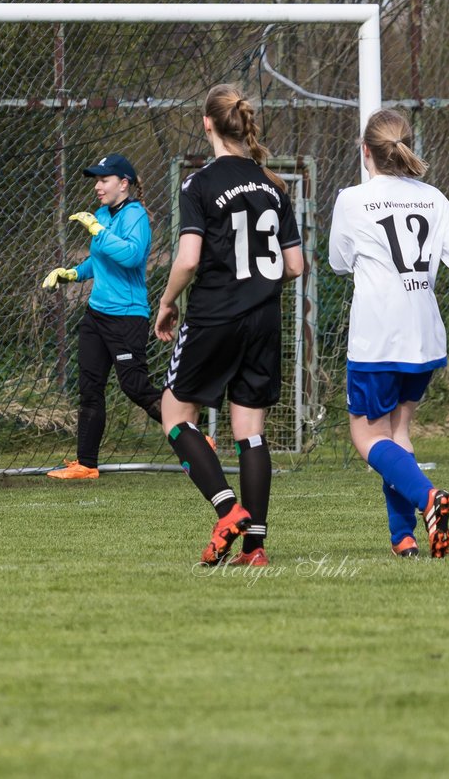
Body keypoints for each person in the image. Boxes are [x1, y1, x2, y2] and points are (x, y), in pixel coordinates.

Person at [329, 108, 449, 558]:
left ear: (366, 150)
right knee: (399, 434)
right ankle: (403, 538)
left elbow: (336, 262)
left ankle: (428, 497)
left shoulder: (352, 200)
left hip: (377, 338)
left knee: (367, 438)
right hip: (425, 336)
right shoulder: (434, 197)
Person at [155, 84, 304, 567]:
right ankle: (255, 549)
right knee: (250, 430)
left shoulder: (199, 184)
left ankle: (226, 510)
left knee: (175, 416)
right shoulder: (273, 184)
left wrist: (167, 300)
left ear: (207, 124)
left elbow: (189, 257)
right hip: (264, 318)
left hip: (216, 314)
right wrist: (257, 282)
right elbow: (296, 265)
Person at [41, 153, 163, 480]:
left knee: (135, 387)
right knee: (90, 388)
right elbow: (100, 262)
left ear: (123, 184)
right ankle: (86, 464)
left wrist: (97, 231)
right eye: (96, 180)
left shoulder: (135, 215)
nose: (97, 186)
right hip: (97, 315)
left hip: (127, 317)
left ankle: (191, 436)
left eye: (103, 180)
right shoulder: (102, 214)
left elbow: (131, 255)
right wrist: (72, 274)